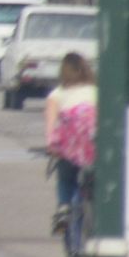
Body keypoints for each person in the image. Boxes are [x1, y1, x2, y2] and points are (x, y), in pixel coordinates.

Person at [45, 53, 97, 233]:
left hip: (69, 150)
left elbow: (52, 127)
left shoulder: (57, 94)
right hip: (93, 150)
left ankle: (64, 208)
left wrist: (52, 146)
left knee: (66, 179)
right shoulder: (97, 91)